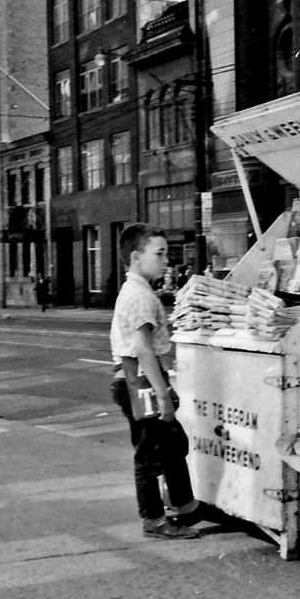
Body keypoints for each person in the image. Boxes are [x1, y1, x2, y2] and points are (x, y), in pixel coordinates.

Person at [109, 223, 202, 539]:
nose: (167, 261)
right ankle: (154, 519)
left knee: (172, 443)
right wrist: (163, 395)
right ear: (136, 257)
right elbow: (143, 350)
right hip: (139, 382)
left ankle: (185, 507)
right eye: (160, 254)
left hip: (136, 381)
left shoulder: (138, 291)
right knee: (150, 454)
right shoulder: (140, 297)